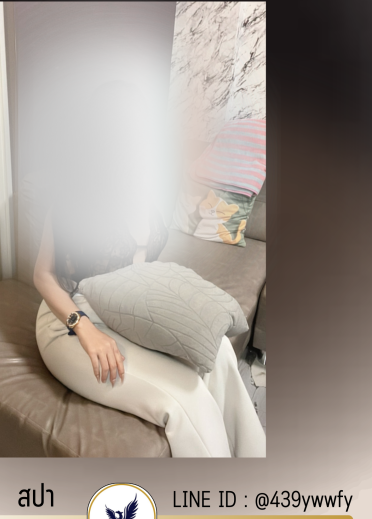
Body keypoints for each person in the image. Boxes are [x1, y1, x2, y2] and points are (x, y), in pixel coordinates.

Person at [34, 82, 266, 457]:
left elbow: (143, 264)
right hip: (70, 319)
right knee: (186, 400)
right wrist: (85, 328)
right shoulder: (73, 195)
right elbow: (42, 275)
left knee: (220, 350)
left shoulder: (142, 186)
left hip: (125, 307)